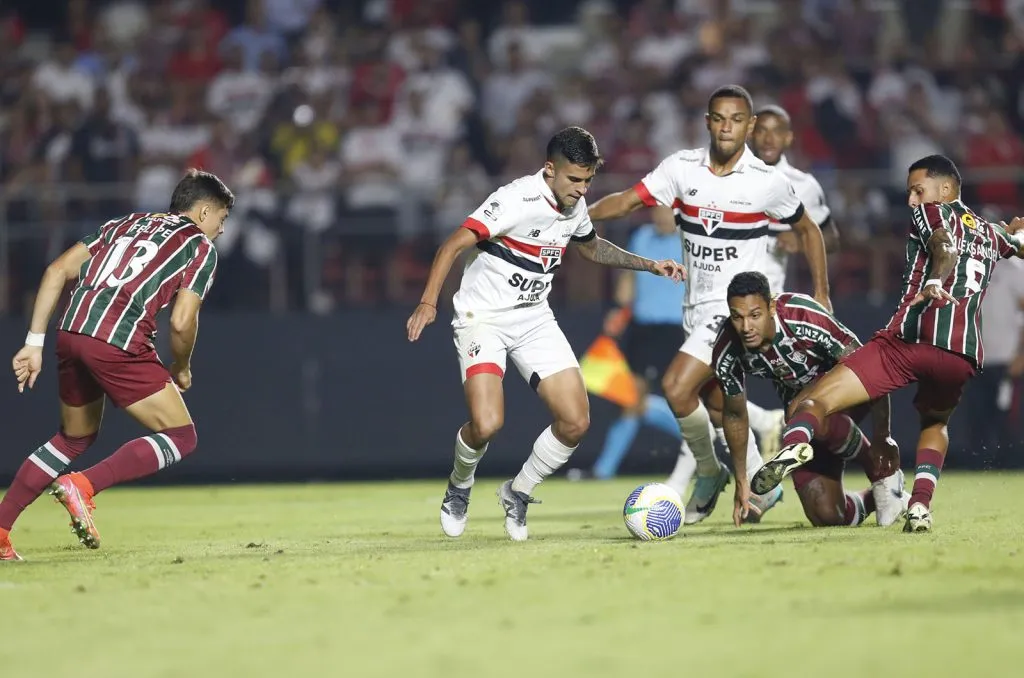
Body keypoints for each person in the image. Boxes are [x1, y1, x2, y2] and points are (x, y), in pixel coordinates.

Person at [406, 127, 684, 542]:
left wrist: (648, 265)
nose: (582, 188)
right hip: (482, 317)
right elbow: (452, 246)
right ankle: (459, 486)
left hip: (534, 318)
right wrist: (428, 302)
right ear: (549, 169)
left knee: (575, 422)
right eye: (575, 179)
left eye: (588, 180)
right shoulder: (514, 200)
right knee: (486, 424)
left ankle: (518, 492)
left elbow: (590, 247)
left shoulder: (575, 204)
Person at [587, 84, 832, 524]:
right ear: (707, 121)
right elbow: (626, 201)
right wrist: (576, 217)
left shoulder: (767, 182)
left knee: (677, 387)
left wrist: (822, 292)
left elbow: (811, 230)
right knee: (719, 406)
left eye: (736, 120)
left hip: (731, 312)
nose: (726, 127)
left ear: (749, 126)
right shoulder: (681, 168)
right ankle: (760, 485)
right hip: (694, 308)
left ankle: (707, 470)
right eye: (719, 118)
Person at [758, 154, 1024, 533]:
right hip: (960, 354)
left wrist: (935, 280)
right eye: (910, 193)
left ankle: (793, 445)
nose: (912, 201)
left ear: (946, 189)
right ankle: (919, 507)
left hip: (907, 342)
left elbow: (944, 245)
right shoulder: (989, 233)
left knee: (809, 402)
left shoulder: (934, 213)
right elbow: (1013, 242)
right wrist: (1016, 235)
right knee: (935, 423)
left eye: (918, 190)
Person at [2, 169, 231, 560]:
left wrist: (33, 343)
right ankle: (84, 485)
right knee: (181, 436)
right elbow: (181, 321)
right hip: (118, 340)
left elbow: (57, 270)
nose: (221, 231)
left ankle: (1, 529)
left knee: (73, 437)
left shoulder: (125, 222)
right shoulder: (199, 246)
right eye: (222, 220)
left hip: (71, 330)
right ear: (205, 211)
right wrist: (182, 367)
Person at [714, 272, 908, 528]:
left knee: (803, 408)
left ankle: (882, 474)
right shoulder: (727, 349)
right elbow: (734, 414)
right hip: (803, 421)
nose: (746, 327)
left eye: (754, 315)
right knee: (826, 515)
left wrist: (883, 437)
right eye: (737, 317)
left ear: (771, 307)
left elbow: (870, 371)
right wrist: (742, 480)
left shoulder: (802, 316)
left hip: (847, 393)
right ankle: (888, 497)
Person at [750, 105, 840, 293]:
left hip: (769, 298)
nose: (768, 139)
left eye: (777, 131)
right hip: (717, 295)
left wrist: (800, 241)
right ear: (750, 134)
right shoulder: (727, 179)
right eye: (762, 131)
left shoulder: (804, 185)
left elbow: (831, 240)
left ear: (788, 138)